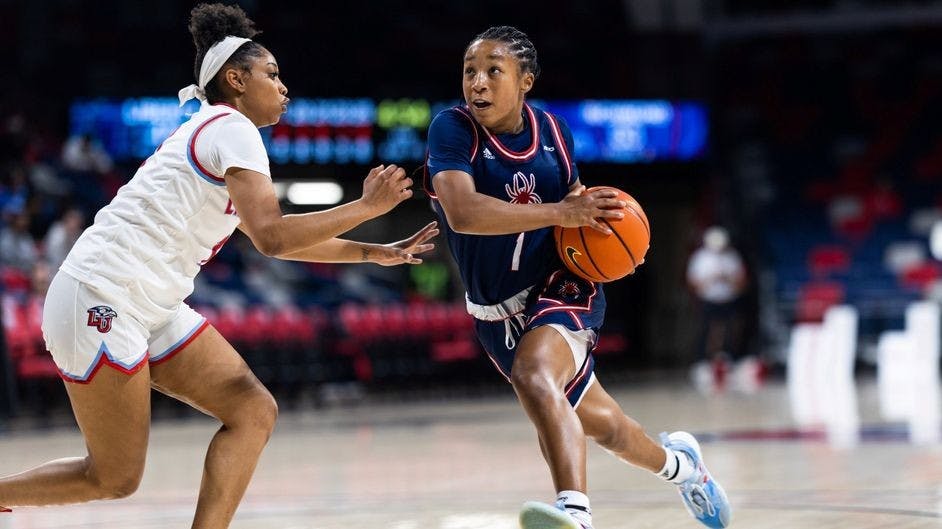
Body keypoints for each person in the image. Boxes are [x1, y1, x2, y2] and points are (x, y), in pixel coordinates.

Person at [0, 4, 438, 527]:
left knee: (252, 409)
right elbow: (275, 237)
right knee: (113, 477)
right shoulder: (231, 126)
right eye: (271, 75)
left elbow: (271, 236)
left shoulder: (222, 133)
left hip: (151, 304)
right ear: (235, 79)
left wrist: (372, 250)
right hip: (101, 295)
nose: (284, 87)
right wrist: (367, 209)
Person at [425, 26, 730, 529]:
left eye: (493, 71)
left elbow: (577, 210)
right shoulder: (452, 128)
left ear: (525, 80)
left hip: (563, 284)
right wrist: (558, 213)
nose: (477, 83)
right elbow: (462, 212)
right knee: (605, 427)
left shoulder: (555, 134)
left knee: (534, 375)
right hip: (493, 313)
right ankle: (684, 470)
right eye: (470, 71)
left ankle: (576, 514)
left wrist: (597, 224)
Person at [686, 226, 751, 393]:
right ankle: (703, 364)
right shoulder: (700, 257)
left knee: (731, 331)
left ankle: (728, 362)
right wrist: (710, 280)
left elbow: (742, 282)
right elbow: (693, 282)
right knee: (707, 331)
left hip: (728, 300)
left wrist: (727, 279)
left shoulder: (732, 257)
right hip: (708, 300)